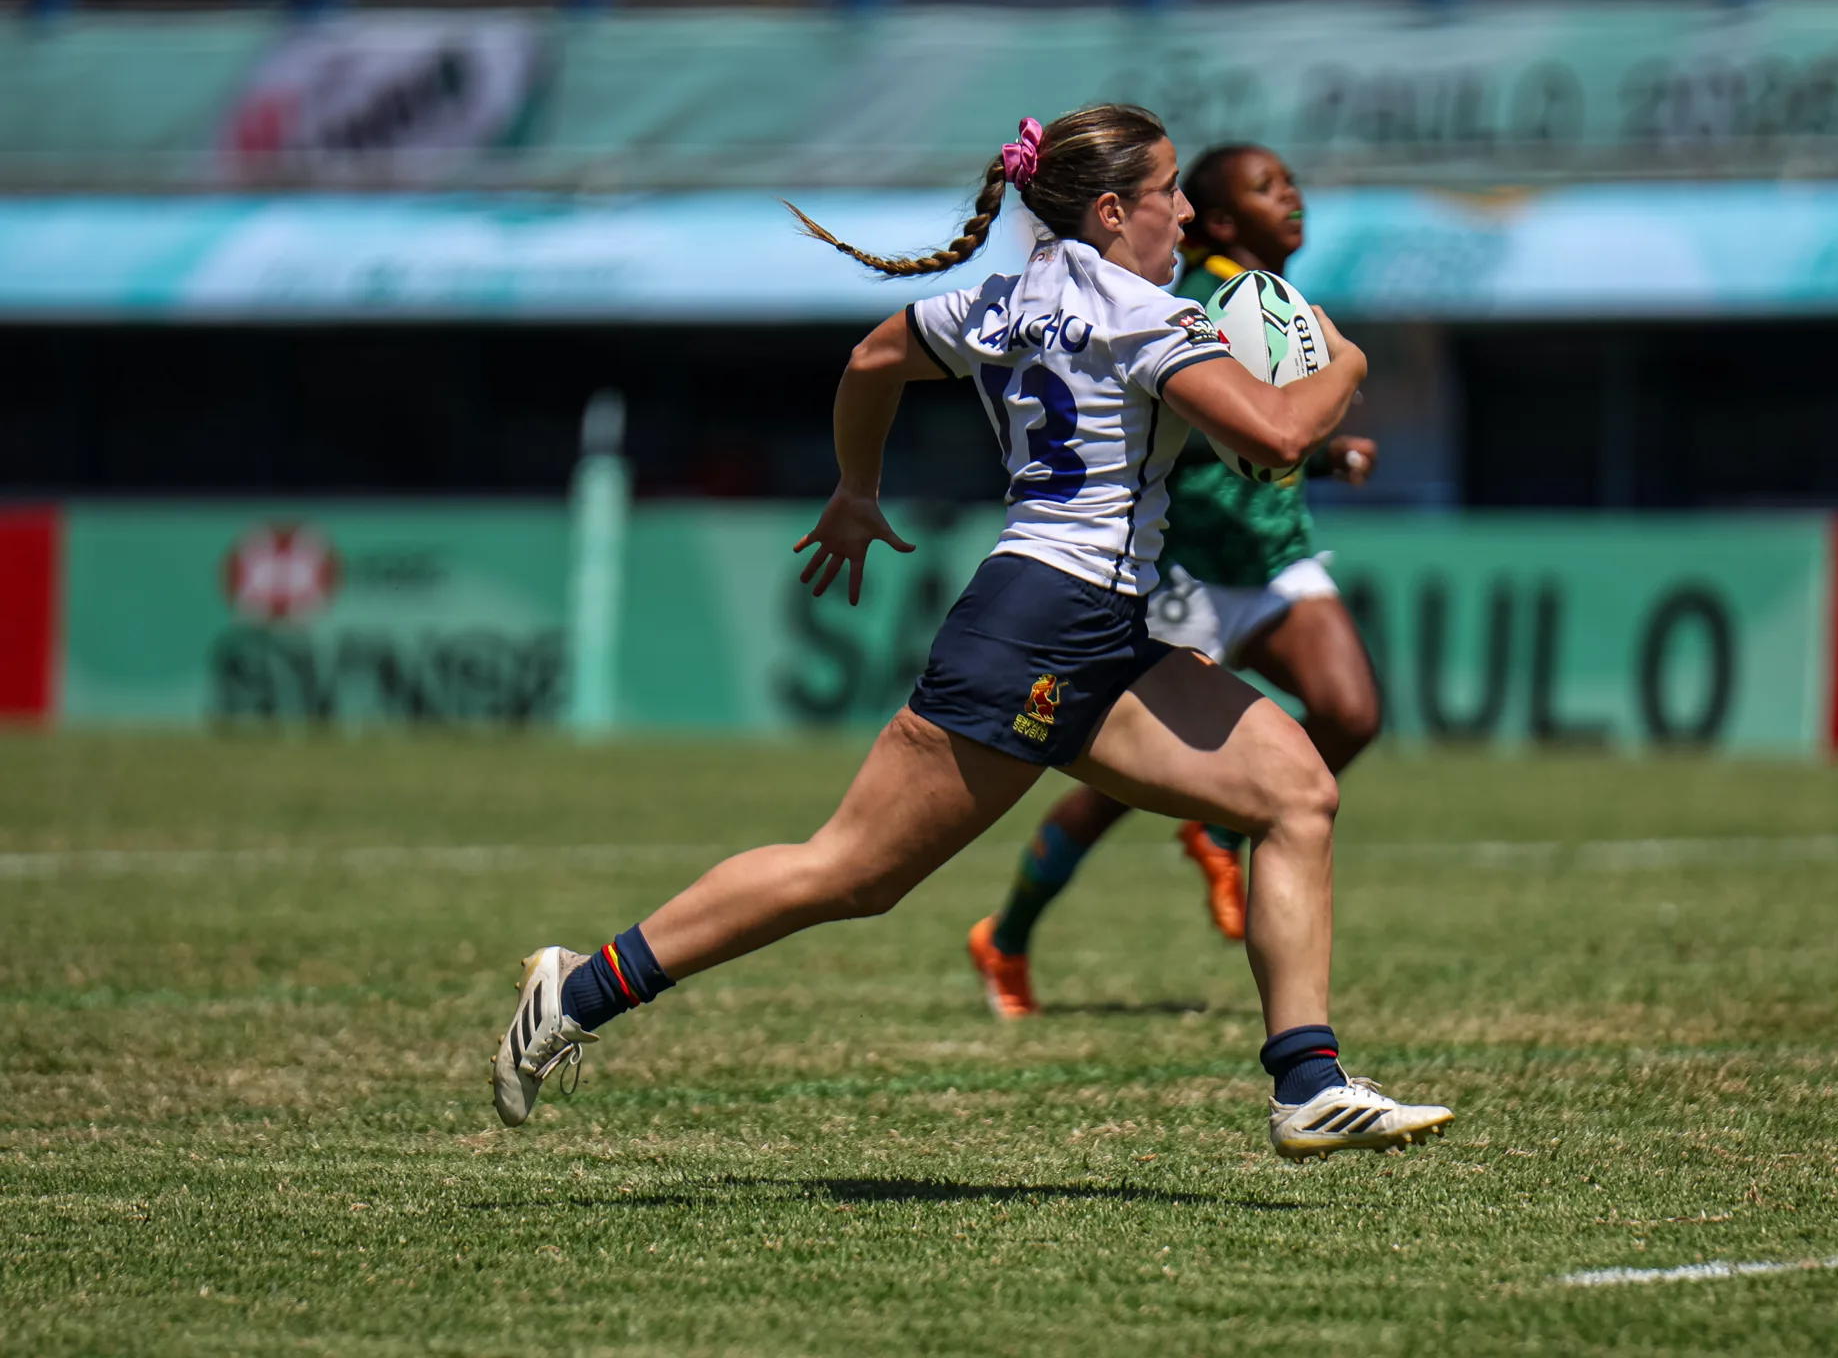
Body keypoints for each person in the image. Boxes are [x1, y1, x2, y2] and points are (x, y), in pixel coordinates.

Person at [490, 106, 1454, 1161]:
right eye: (1171, 189)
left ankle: (1307, 1085)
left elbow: (871, 358)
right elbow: (1274, 438)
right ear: (1110, 208)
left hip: (1091, 623)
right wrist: (1345, 363)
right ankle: (577, 990)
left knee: (1298, 794)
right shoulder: (1147, 317)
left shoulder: (1002, 300)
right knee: (851, 873)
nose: (1186, 210)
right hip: (1044, 625)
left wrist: (857, 489)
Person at [967, 143, 1385, 1020]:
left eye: (1292, 179)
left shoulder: (1268, 298)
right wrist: (1314, 419)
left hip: (1272, 557)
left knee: (1350, 711)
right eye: (1271, 188)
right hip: (1184, 574)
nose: (1295, 196)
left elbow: (1267, 430)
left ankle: (1221, 826)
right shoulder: (1185, 302)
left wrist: (1326, 449)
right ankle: (1005, 936)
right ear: (1221, 220)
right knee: (1105, 796)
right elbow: (1207, 428)